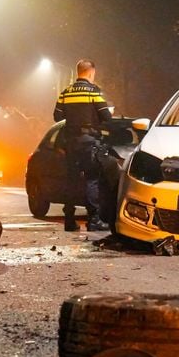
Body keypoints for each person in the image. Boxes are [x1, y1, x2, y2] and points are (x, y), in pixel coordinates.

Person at [53, 59, 113, 231]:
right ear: (91, 72)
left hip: (70, 142)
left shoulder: (66, 92)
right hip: (88, 142)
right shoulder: (93, 92)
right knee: (92, 179)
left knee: (71, 180)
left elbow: (57, 117)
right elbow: (106, 117)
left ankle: (69, 220)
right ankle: (93, 220)